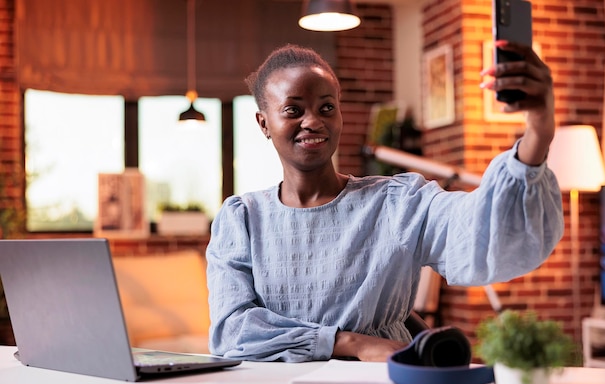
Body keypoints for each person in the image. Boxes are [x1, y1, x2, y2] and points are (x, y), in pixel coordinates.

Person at [206, 42, 564, 362]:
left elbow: (484, 230)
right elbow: (232, 331)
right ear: (264, 123)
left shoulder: (398, 203)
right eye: (293, 110)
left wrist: (538, 131)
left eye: (326, 107)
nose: (313, 122)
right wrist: (352, 343)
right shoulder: (241, 219)